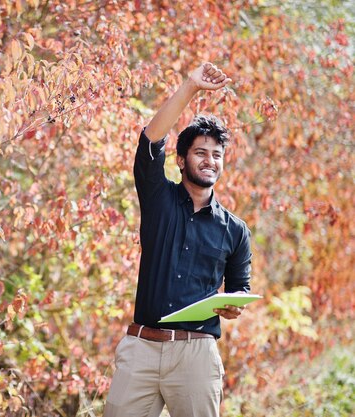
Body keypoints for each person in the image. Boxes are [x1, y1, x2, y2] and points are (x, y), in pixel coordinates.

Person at [103, 63, 253, 417]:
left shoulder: (235, 230)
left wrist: (236, 305)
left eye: (217, 155)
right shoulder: (159, 198)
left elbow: (240, 289)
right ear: (182, 159)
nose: (210, 161)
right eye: (201, 152)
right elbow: (150, 140)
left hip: (196, 354)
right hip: (141, 347)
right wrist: (190, 87)